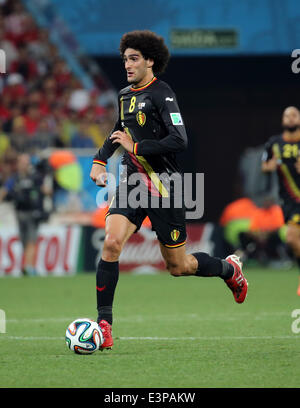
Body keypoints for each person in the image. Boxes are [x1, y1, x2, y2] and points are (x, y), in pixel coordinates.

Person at [90, 30, 248, 350]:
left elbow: (180, 140)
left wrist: (138, 145)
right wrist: (99, 159)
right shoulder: (124, 95)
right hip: (133, 183)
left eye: (134, 59)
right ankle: (103, 326)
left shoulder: (163, 93)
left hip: (165, 188)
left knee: (179, 267)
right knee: (110, 244)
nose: (128, 65)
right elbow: (120, 129)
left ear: (150, 61)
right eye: (125, 59)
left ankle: (229, 269)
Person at [262, 105, 300, 295]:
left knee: (293, 236)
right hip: (290, 201)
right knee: (292, 239)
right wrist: (270, 165)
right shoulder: (274, 143)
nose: (290, 118)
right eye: (287, 115)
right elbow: (265, 165)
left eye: (294, 115)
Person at [0, 153, 52, 275]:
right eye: (22, 162)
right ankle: (30, 266)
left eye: (26, 162)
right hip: (19, 213)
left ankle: (28, 267)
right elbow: (4, 191)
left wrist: (48, 191)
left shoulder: (35, 177)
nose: (24, 165)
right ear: (18, 164)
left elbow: (46, 190)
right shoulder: (15, 178)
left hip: (32, 213)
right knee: (24, 241)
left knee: (31, 241)